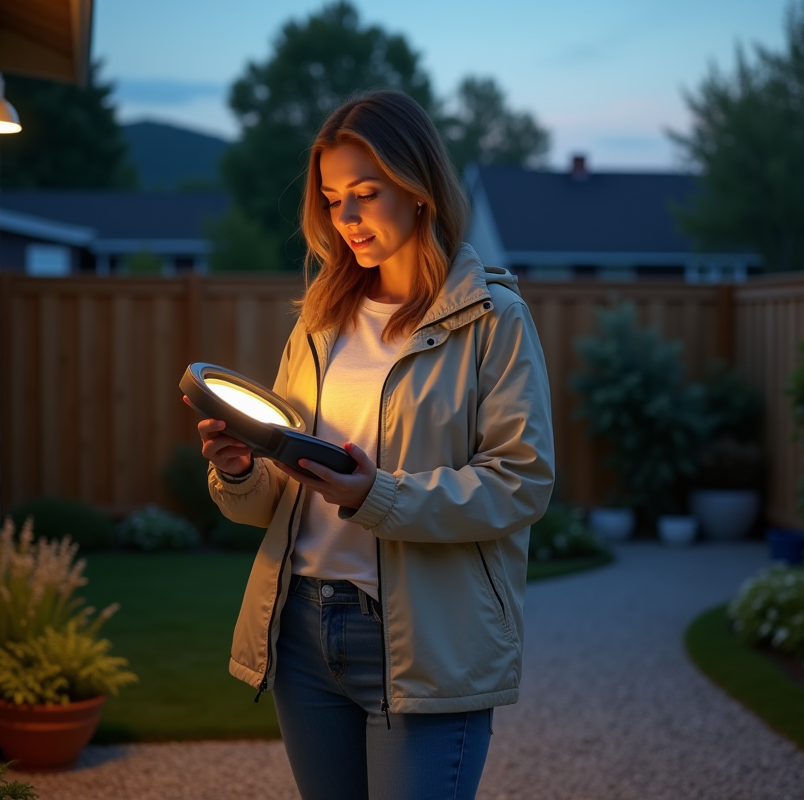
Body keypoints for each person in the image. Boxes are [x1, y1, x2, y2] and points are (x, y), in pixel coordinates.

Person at [191, 89, 555, 800]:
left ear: (419, 190)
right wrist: (240, 471)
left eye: (366, 192)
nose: (347, 218)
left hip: (424, 642)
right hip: (301, 628)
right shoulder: (321, 320)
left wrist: (377, 496)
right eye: (332, 199)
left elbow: (521, 481)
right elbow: (281, 494)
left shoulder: (492, 322)